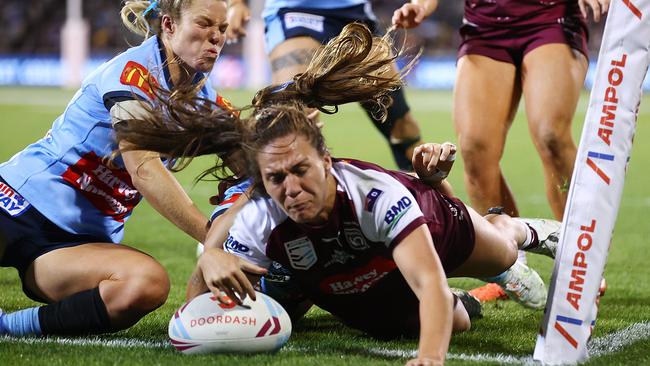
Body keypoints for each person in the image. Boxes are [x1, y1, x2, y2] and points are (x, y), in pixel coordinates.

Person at [116, 23, 562, 365]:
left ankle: (515, 230)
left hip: (426, 225)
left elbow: (427, 281)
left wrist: (431, 359)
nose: (290, 189)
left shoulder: (374, 195)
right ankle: (460, 300)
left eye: (301, 170)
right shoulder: (256, 212)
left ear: (327, 161)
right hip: (346, 270)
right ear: (260, 179)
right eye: (275, 179)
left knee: (501, 255)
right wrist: (209, 261)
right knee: (453, 319)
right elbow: (200, 304)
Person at [0, 0, 230, 337]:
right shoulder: (133, 73)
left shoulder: (204, 99)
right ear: (168, 26)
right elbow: (145, 169)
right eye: (204, 23)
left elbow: (252, 155)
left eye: (222, 29)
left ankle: (6, 328)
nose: (215, 37)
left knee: (145, 285)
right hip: (19, 202)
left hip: (77, 246)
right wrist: (213, 241)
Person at [392, 0, 610, 302]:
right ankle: (509, 260)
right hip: (485, 26)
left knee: (551, 135)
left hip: (551, 19)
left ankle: (581, 259)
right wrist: (420, 5)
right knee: (474, 148)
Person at [226, 0, 426, 172]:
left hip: (354, 13)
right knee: (294, 126)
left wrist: (420, 5)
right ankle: (293, 211)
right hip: (294, 12)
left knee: (403, 128)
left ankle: (434, 207)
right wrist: (236, 3)